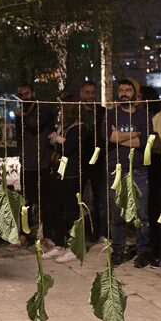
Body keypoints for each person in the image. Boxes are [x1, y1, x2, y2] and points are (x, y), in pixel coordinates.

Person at [104, 79, 152, 266]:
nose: (124, 93)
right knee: (117, 213)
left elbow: (143, 142)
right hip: (115, 169)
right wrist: (135, 134)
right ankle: (118, 250)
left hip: (138, 170)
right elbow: (109, 136)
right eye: (121, 90)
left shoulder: (143, 116)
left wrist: (120, 137)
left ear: (135, 93)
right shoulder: (111, 115)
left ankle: (143, 251)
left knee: (141, 213)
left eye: (128, 90)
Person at [43, 95, 93, 263]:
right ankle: (59, 244)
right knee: (58, 208)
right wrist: (58, 140)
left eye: (63, 107)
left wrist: (57, 139)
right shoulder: (66, 126)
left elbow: (69, 147)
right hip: (60, 172)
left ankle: (75, 247)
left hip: (73, 173)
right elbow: (51, 143)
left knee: (72, 210)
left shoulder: (81, 127)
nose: (61, 111)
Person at [14, 83, 56, 250]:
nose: (24, 97)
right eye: (21, 95)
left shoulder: (42, 109)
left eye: (26, 93)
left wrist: (22, 115)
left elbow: (33, 124)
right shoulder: (21, 114)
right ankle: (24, 235)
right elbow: (20, 137)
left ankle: (47, 236)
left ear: (33, 93)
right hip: (28, 164)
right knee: (25, 203)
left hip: (44, 163)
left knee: (47, 201)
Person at [141, 86, 161, 269]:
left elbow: (157, 142)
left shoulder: (159, 117)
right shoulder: (141, 117)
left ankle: (157, 245)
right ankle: (149, 243)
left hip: (155, 162)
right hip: (146, 162)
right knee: (146, 205)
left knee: (155, 204)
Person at [80, 81, 109, 243]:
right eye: (87, 93)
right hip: (81, 161)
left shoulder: (102, 111)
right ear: (81, 93)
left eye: (93, 93)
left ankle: (101, 232)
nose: (90, 96)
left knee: (100, 201)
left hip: (99, 161)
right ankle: (80, 232)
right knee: (79, 199)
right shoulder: (76, 111)